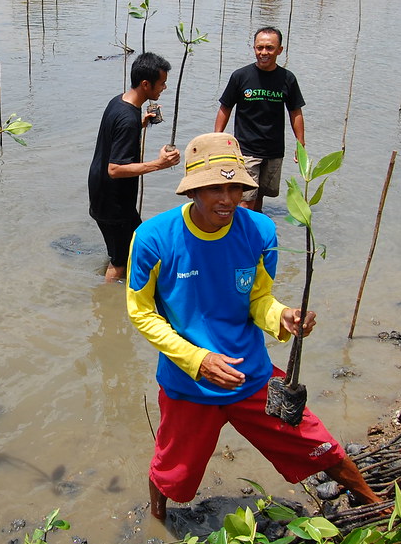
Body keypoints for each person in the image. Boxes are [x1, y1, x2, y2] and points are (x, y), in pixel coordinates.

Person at [127, 132, 381, 521]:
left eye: (235, 187)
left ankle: (374, 501)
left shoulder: (260, 231)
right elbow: (141, 313)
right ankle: (156, 520)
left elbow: (258, 299)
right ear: (193, 190)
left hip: (251, 374)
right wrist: (198, 360)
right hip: (189, 382)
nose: (227, 199)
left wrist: (283, 317)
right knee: (171, 470)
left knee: (314, 441)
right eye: (214, 188)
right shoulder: (152, 239)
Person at [88, 52, 181, 283]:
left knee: (139, 242)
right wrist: (159, 164)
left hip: (103, 193)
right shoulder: (128, 119)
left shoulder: (120, 102)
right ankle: (107, 305)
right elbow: (115, 169)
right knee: (119, 259)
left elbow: (116, 133)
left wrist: (141, 123)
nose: (165, 88)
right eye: (161, 83)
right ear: (146, 84)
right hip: (113, 201)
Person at [214, 27, 305, 212]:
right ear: (254, 48)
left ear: (280, 50)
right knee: (246, 199)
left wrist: (300, 144)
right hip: (246, 149)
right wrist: (216, 139)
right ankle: (239, 236)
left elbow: (295, 112)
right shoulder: (240, 76)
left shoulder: (287, 79)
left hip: (274, 150)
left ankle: (256, 235)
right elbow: (225, 107)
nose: (264, 52)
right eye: (259, 47)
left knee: (260, 196)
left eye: (270, 48)